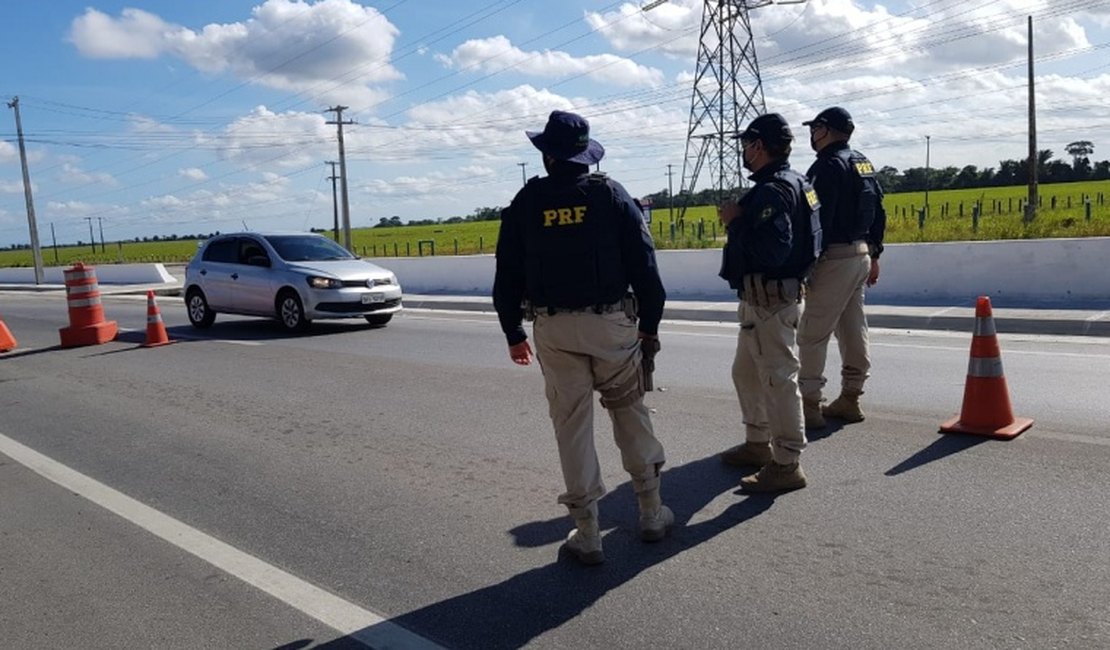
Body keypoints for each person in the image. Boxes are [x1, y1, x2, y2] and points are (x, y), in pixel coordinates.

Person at [492, 110, 672, 565]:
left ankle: (588, 532)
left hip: (553, 329)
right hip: (611, 324)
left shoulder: (526, 201)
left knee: (571, 426)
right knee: (630, 412)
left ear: (547, 155)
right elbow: (645, 266)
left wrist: (513, 331)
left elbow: (507, 274)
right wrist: (649, 325)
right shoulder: (610, 194)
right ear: (585, 155)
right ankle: (651, 512)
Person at [717, 113, 821, 493]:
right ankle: (758, 443)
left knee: (778, 379)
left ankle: (787, 462)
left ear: (758, 147)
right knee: (745, 372)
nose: (744, 151)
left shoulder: (771, 190)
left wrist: (735, 221)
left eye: (747, 145)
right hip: (769, 298)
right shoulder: (799, 182)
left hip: (770, 300)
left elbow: (774, 250)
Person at [797, 107, 887, 429]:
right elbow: (879, 211)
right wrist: (875, 254)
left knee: (812, 332)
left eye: (814, 128)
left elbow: (818, 220)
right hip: (861, 254)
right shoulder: (862, 162)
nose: (811, 134)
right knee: (852, 326)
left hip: (833, 258)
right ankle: (851, 397)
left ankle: (809, 404)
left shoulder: (826, 166)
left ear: (824, 130)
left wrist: (807, 266)